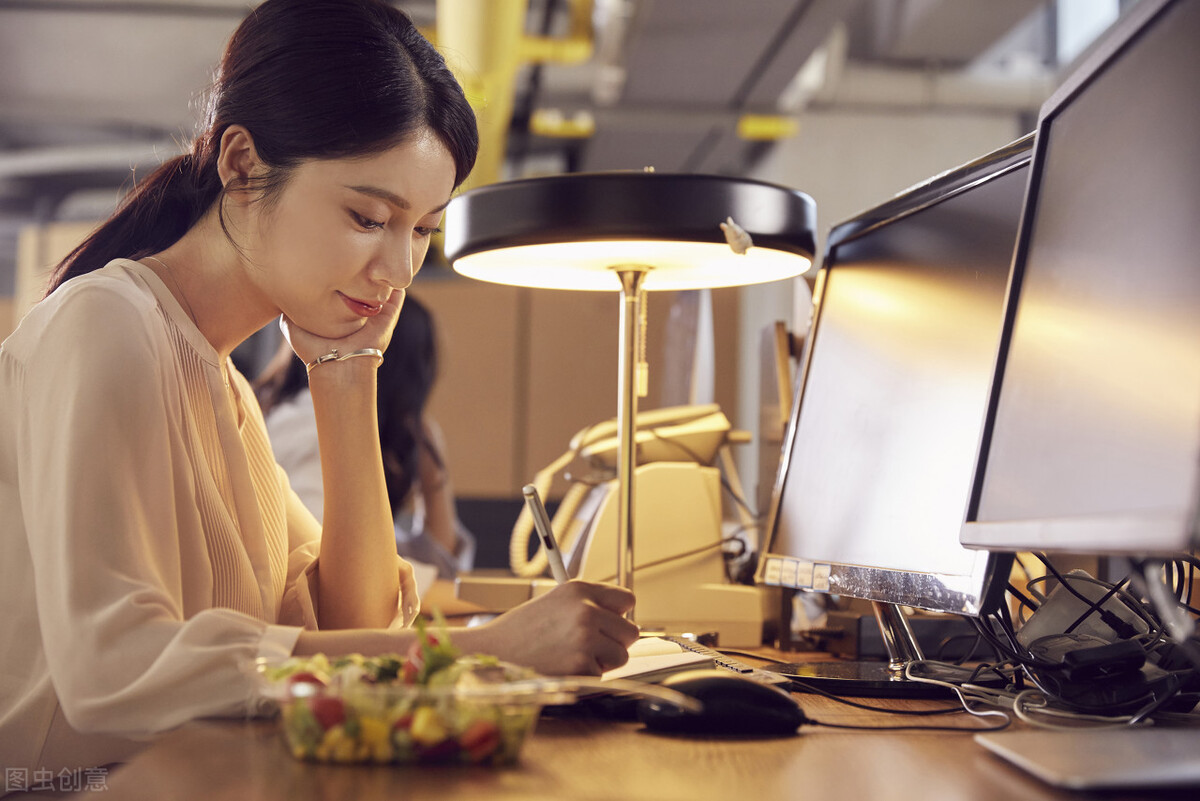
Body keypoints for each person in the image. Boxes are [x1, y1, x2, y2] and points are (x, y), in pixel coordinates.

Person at [0, 0, 637, 782]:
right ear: (241, 164)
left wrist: (347, 374)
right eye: (368, 217)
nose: (400, 270)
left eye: (422, 231)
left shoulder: (225, 387)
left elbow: (353, 623)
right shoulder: (107, 323)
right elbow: (112, 672)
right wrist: (486, 649)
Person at [255, 293, 476, 582]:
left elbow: (439, 564)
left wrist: (432, 462)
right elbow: (326, 566)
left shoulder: (301, 414)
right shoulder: (315, 427)